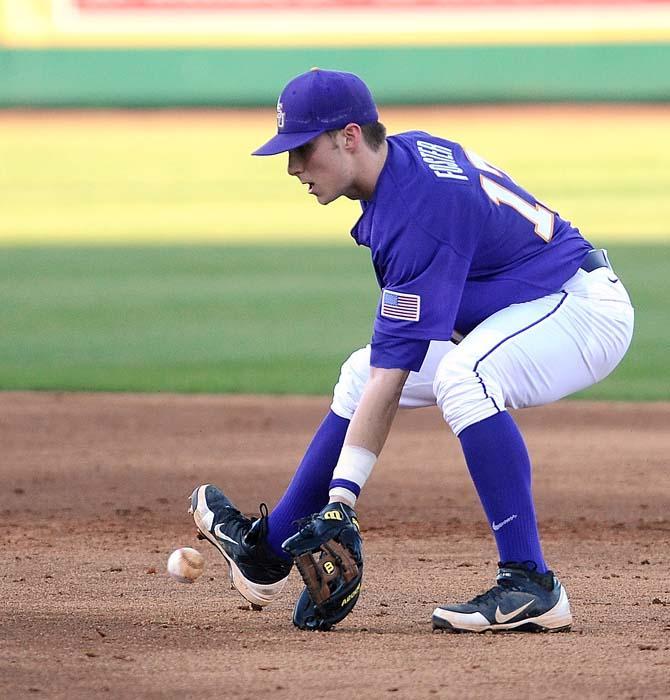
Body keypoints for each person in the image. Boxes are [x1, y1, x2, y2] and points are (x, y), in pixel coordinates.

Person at [190, 69, 634, 632]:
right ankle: (268, 553)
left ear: (349, 137)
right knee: (360, 373)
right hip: (530, 305)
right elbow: (382, 370)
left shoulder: (417, 216)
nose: (294, 168)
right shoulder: (405, 161)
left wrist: (343, 501)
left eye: (303, 150)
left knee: (465, 378)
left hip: (579, 310)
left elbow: (396, 372)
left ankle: (531, 583)